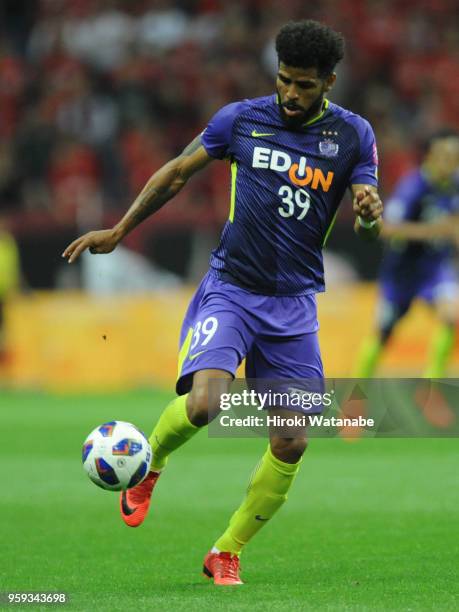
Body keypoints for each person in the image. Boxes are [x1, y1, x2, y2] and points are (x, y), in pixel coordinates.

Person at [63, 20, 382, 585]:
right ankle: (150, 464)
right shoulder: (241, 118)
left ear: (328, 82)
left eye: (304, 86)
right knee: (206, 402)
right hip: (231, 288)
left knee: (292, 439)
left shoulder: (353, 136)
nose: (290, 93)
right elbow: (177, 174)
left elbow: (368, 218)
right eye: (284, 80)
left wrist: (367, 216)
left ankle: (226, 550)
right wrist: (119, 230)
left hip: (294, 304)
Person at [355, 129, 459, 379]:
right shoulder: (413, 187)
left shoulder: (454, 186)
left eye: (455, 156)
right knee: (383, 334)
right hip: (402, 273)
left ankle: (432, 386)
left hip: (435, 268)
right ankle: (356, 397)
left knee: (452, 316)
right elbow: (387, 229)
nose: (450, 162)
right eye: (444, 155)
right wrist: (433, 231)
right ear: (429, 157)